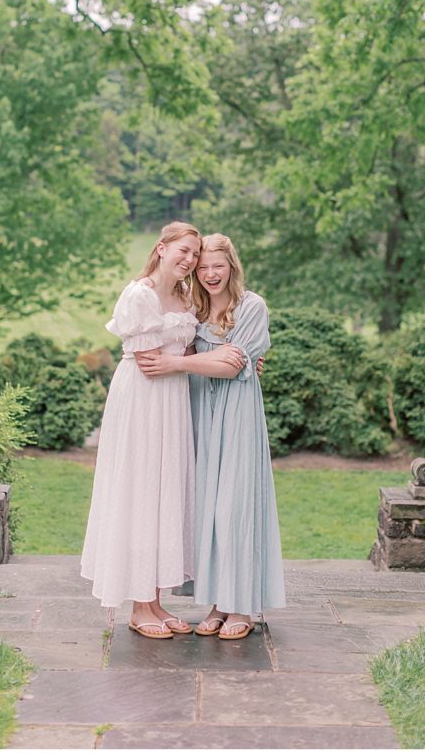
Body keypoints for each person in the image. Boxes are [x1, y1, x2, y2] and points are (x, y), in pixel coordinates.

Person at [80, 222, 247, 638]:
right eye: (183, 251)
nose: (190, 260)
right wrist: (195, 361)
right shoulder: (140, 294)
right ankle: (139, 608)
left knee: (165, 494)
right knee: (142, 493)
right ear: (161, 248)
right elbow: (153, 363)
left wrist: (234, 359)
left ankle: (157, 601)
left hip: (174, 401)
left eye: (195, 254)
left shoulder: (185, 295)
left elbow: (190, 351)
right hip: (143, 400)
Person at [136, 233, 286, 638]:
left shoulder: (251, 306)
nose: (209, 273)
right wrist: (206, 358)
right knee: (206, 507)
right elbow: (199, 355)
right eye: (203, 267)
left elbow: (234, 366)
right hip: (199, 412)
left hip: (237, 417)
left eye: (217, 265)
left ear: (232, 266)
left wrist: (177, 362)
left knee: (234, 507)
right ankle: (218, 604)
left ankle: (242, 607)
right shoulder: (195, 307)